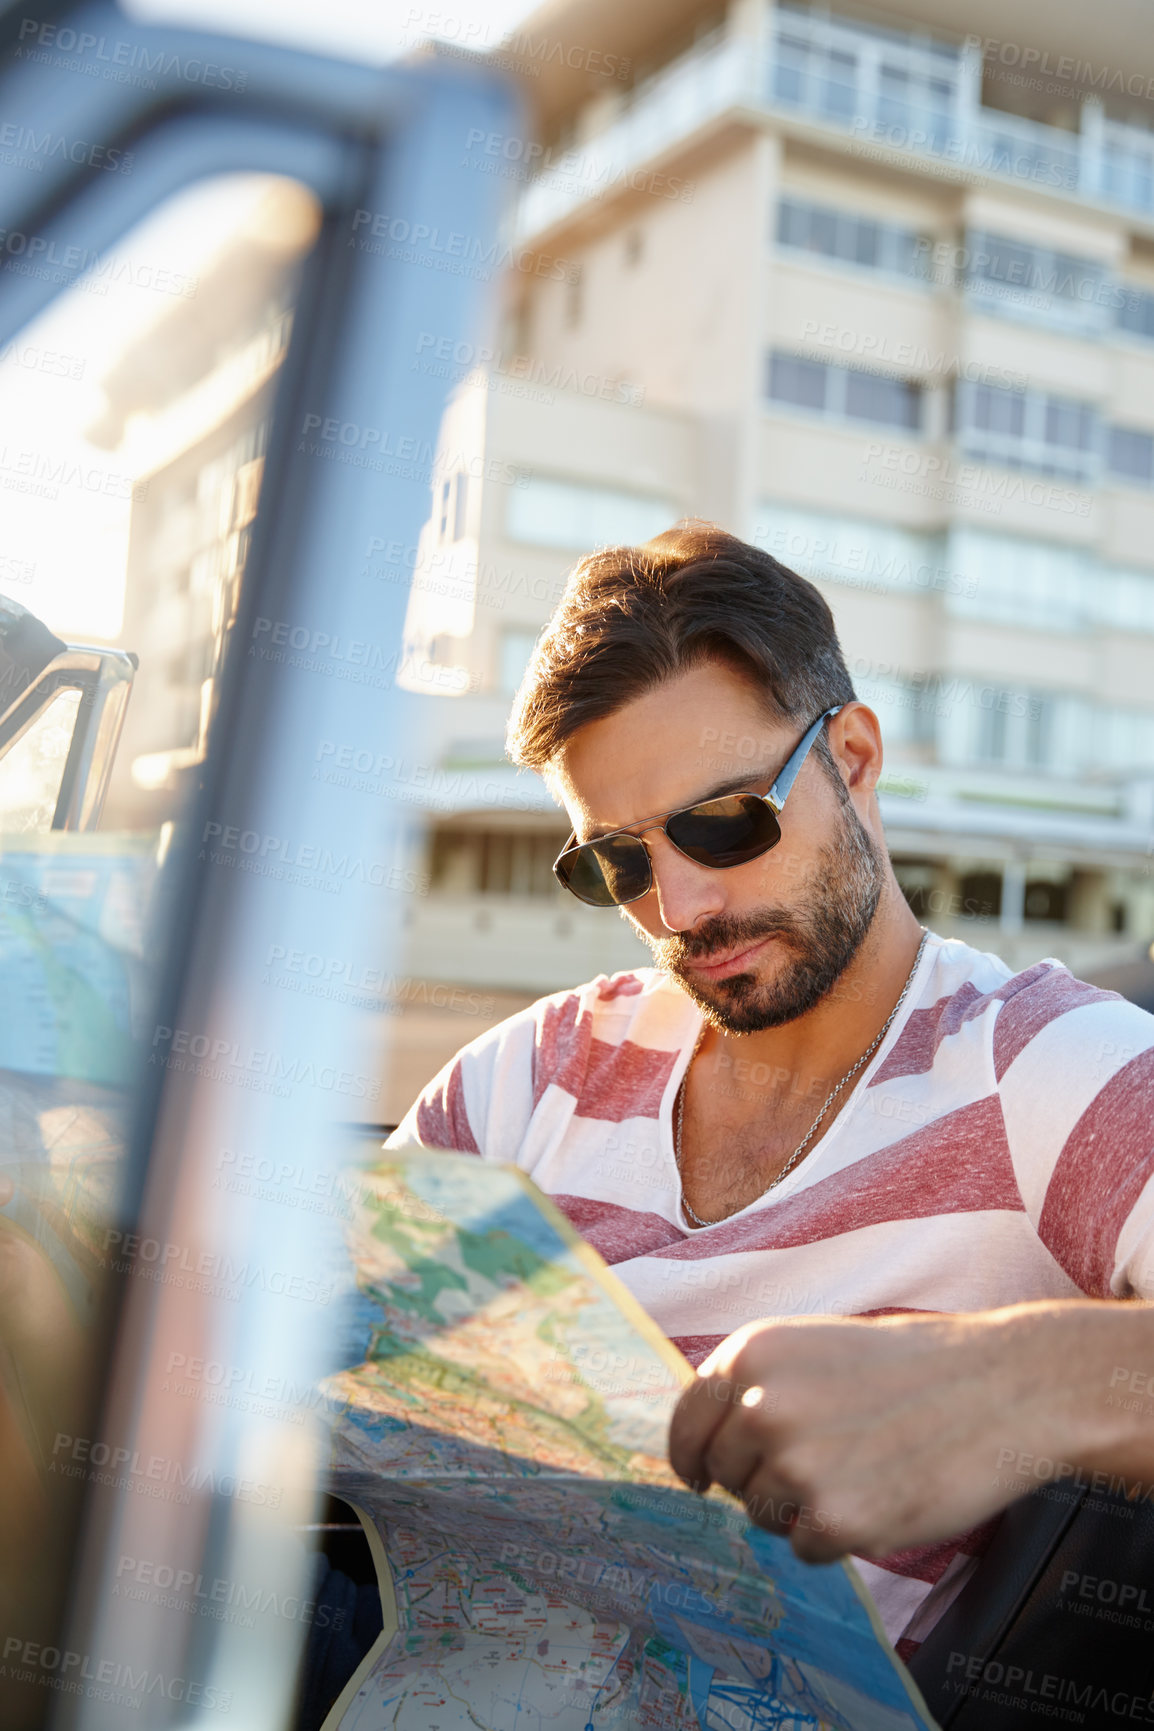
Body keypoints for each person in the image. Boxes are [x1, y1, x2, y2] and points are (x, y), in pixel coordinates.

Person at [387, 522, 1154, 1662]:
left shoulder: (1041, 1068)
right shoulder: (527, 1081)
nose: (680, 907)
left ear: (850, 757)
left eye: (723, 821)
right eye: (618, 863)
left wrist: (996, 1383)